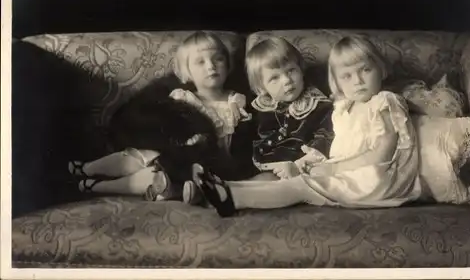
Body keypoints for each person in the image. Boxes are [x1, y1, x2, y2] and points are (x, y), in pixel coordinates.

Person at [189, 34, 423, 217]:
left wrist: (330, 169)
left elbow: (382, 153)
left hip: (378, 178)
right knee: (296, 183)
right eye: (348, 76)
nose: (359, 81)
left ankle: (229, 196)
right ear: (337, 81)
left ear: (381, 70)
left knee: (300, 186)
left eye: (365, 70)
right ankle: (220, 190)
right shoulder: (344, 107)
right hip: (353, 173)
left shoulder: (384, 102)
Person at [67, 31, 256, 201]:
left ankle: (98, 186)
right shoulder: (182, 98)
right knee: (142, 156)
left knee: (157, 175)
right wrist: (184, 141)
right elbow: (168, 131)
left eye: (218, 59)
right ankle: (87, 169)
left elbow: (241, 144)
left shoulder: (236, 100)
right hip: (177, 153)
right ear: (187, 72)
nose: (211, 66)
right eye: (201, 62)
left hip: (210, 165)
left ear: (228, 64)